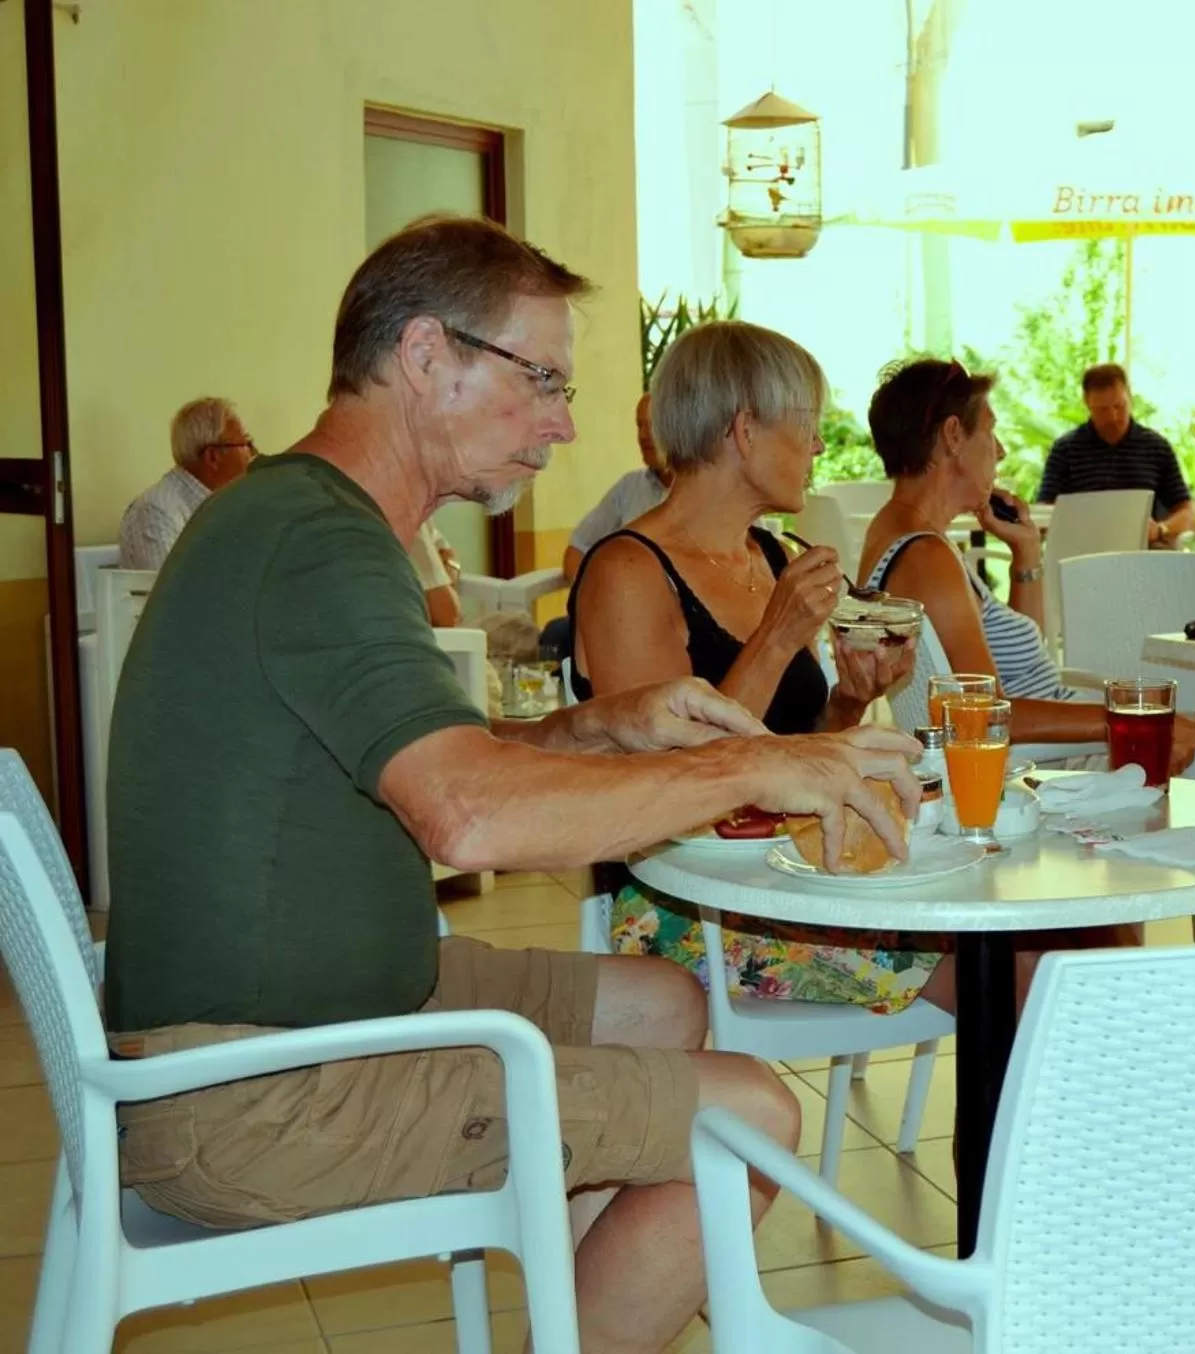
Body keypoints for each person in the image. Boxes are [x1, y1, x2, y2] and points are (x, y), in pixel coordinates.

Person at [101, 214, 921, 1354]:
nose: (566, 422)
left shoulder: (306, 520)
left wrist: (601, 727)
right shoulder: (315, 541)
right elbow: (467, 813)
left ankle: (572, 1323)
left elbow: (424, 754)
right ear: (427, 356)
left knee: (662, 1003)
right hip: (259, 1086)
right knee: (751, 1119)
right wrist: (757, 760)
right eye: (540, 379)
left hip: (324, 1011)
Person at [572, 319, 953, 1012]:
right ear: (744, 430)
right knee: (1011, 964)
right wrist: (776, 638)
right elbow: (664, 780)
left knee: (1066, 937)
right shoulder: (628, 571)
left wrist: (849, 702)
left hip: (796, 861)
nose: (817, 446)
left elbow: (788, 744)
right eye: (806, 425)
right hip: (687, 903)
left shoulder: (773, 556)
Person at [861, 357, 1195, 766]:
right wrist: (1128, 717)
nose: (1000, 450)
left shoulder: (900, 535)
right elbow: (985, 715)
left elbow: (1017, 667)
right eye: (990, 430)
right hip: (1052, 762)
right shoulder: (926, 558)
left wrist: (1025, 553)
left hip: (1054, 741)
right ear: (954, 435)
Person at [1035, 362, 1195, 547]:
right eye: (1102, 410)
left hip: (1142, 552)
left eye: (1119, 406)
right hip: (1082, 552)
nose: (1113, 417)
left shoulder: (1156, 447)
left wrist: (1161, 529)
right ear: (1087, 403)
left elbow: (1187, 513)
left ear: (1130, 398)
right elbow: (1045, 513)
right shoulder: (1065, 450)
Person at [117, 396, 257, 569]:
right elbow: (169, 593)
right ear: (213, 457)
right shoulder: (156, 512)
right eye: (247, 443)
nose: (253, 454)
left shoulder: (227, 503)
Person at [563, 392, 672, 581]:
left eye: (653, 425)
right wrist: (591, 599)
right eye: (639, 425)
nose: (643, 436)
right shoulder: (628, 488)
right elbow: (577, 547)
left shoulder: (705, 490)